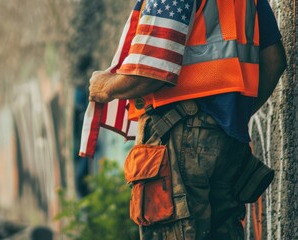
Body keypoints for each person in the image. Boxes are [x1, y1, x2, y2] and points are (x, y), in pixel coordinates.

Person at [87, 0, 287, 239]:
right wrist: (230, 116)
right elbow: (274, 62)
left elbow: (152, 70)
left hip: (181, 137)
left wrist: (105, 86)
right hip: (229, 137)